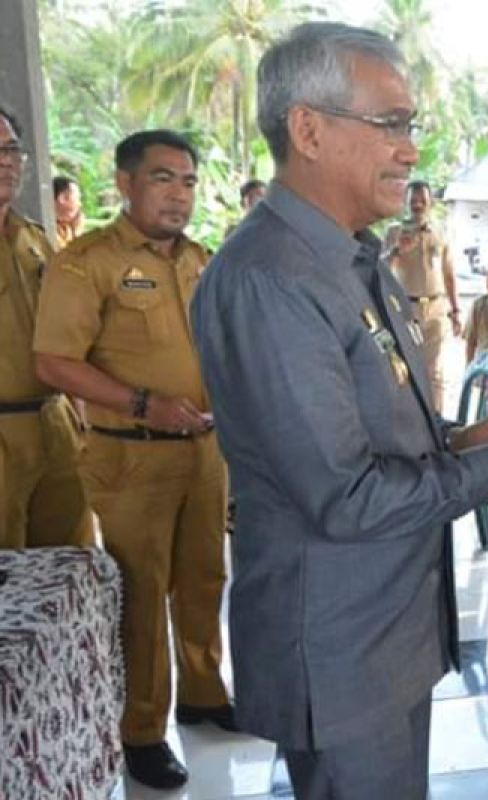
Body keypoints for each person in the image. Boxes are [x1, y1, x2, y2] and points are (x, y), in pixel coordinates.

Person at [188, 23, 488, 800]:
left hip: (384, 625)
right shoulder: (272, 279)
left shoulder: (350, 257)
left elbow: (373, 421)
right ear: (308, 128)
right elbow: (345, 494)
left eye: (411, 126)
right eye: (391, 124)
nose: (410, 150)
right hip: (337, 642)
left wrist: (459, 437)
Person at [33, 129, 232, 790]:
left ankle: (205, 692)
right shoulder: (85, 261)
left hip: (204, 451)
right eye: (162, 178)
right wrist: (143, 403)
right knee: (141, 596)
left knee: (204, 579)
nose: (178, 195)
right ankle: (142, 729)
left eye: (188, 181)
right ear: (123, 183)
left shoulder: (201, 260)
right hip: (131, 457)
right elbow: (55, 362)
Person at [0, 105, 91, 550]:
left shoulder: (35, 239)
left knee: (69, 566)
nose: (5, 161)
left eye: (12, 150)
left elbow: (67, 335)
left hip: (56, 424)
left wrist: (82, 413)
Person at [385, 180, 462, 413]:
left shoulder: (440, 233)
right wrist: (397, 250)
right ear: (406, 202)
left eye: (422, 199)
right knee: (407, 367)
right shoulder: (394, 232)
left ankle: (437, 421)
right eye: (413, 200)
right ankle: (412, 419)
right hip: (407, 308)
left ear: (430, 202)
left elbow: (449, 274)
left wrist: (456, 310)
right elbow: (380, 268)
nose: (418, 204)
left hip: (437, 309)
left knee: (435, 371)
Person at [52, 175, 84, 248]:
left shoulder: (67, 228)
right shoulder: (47, 228)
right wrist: (77, 233)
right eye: (78, 198)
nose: (80, 204)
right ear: (62, 198)